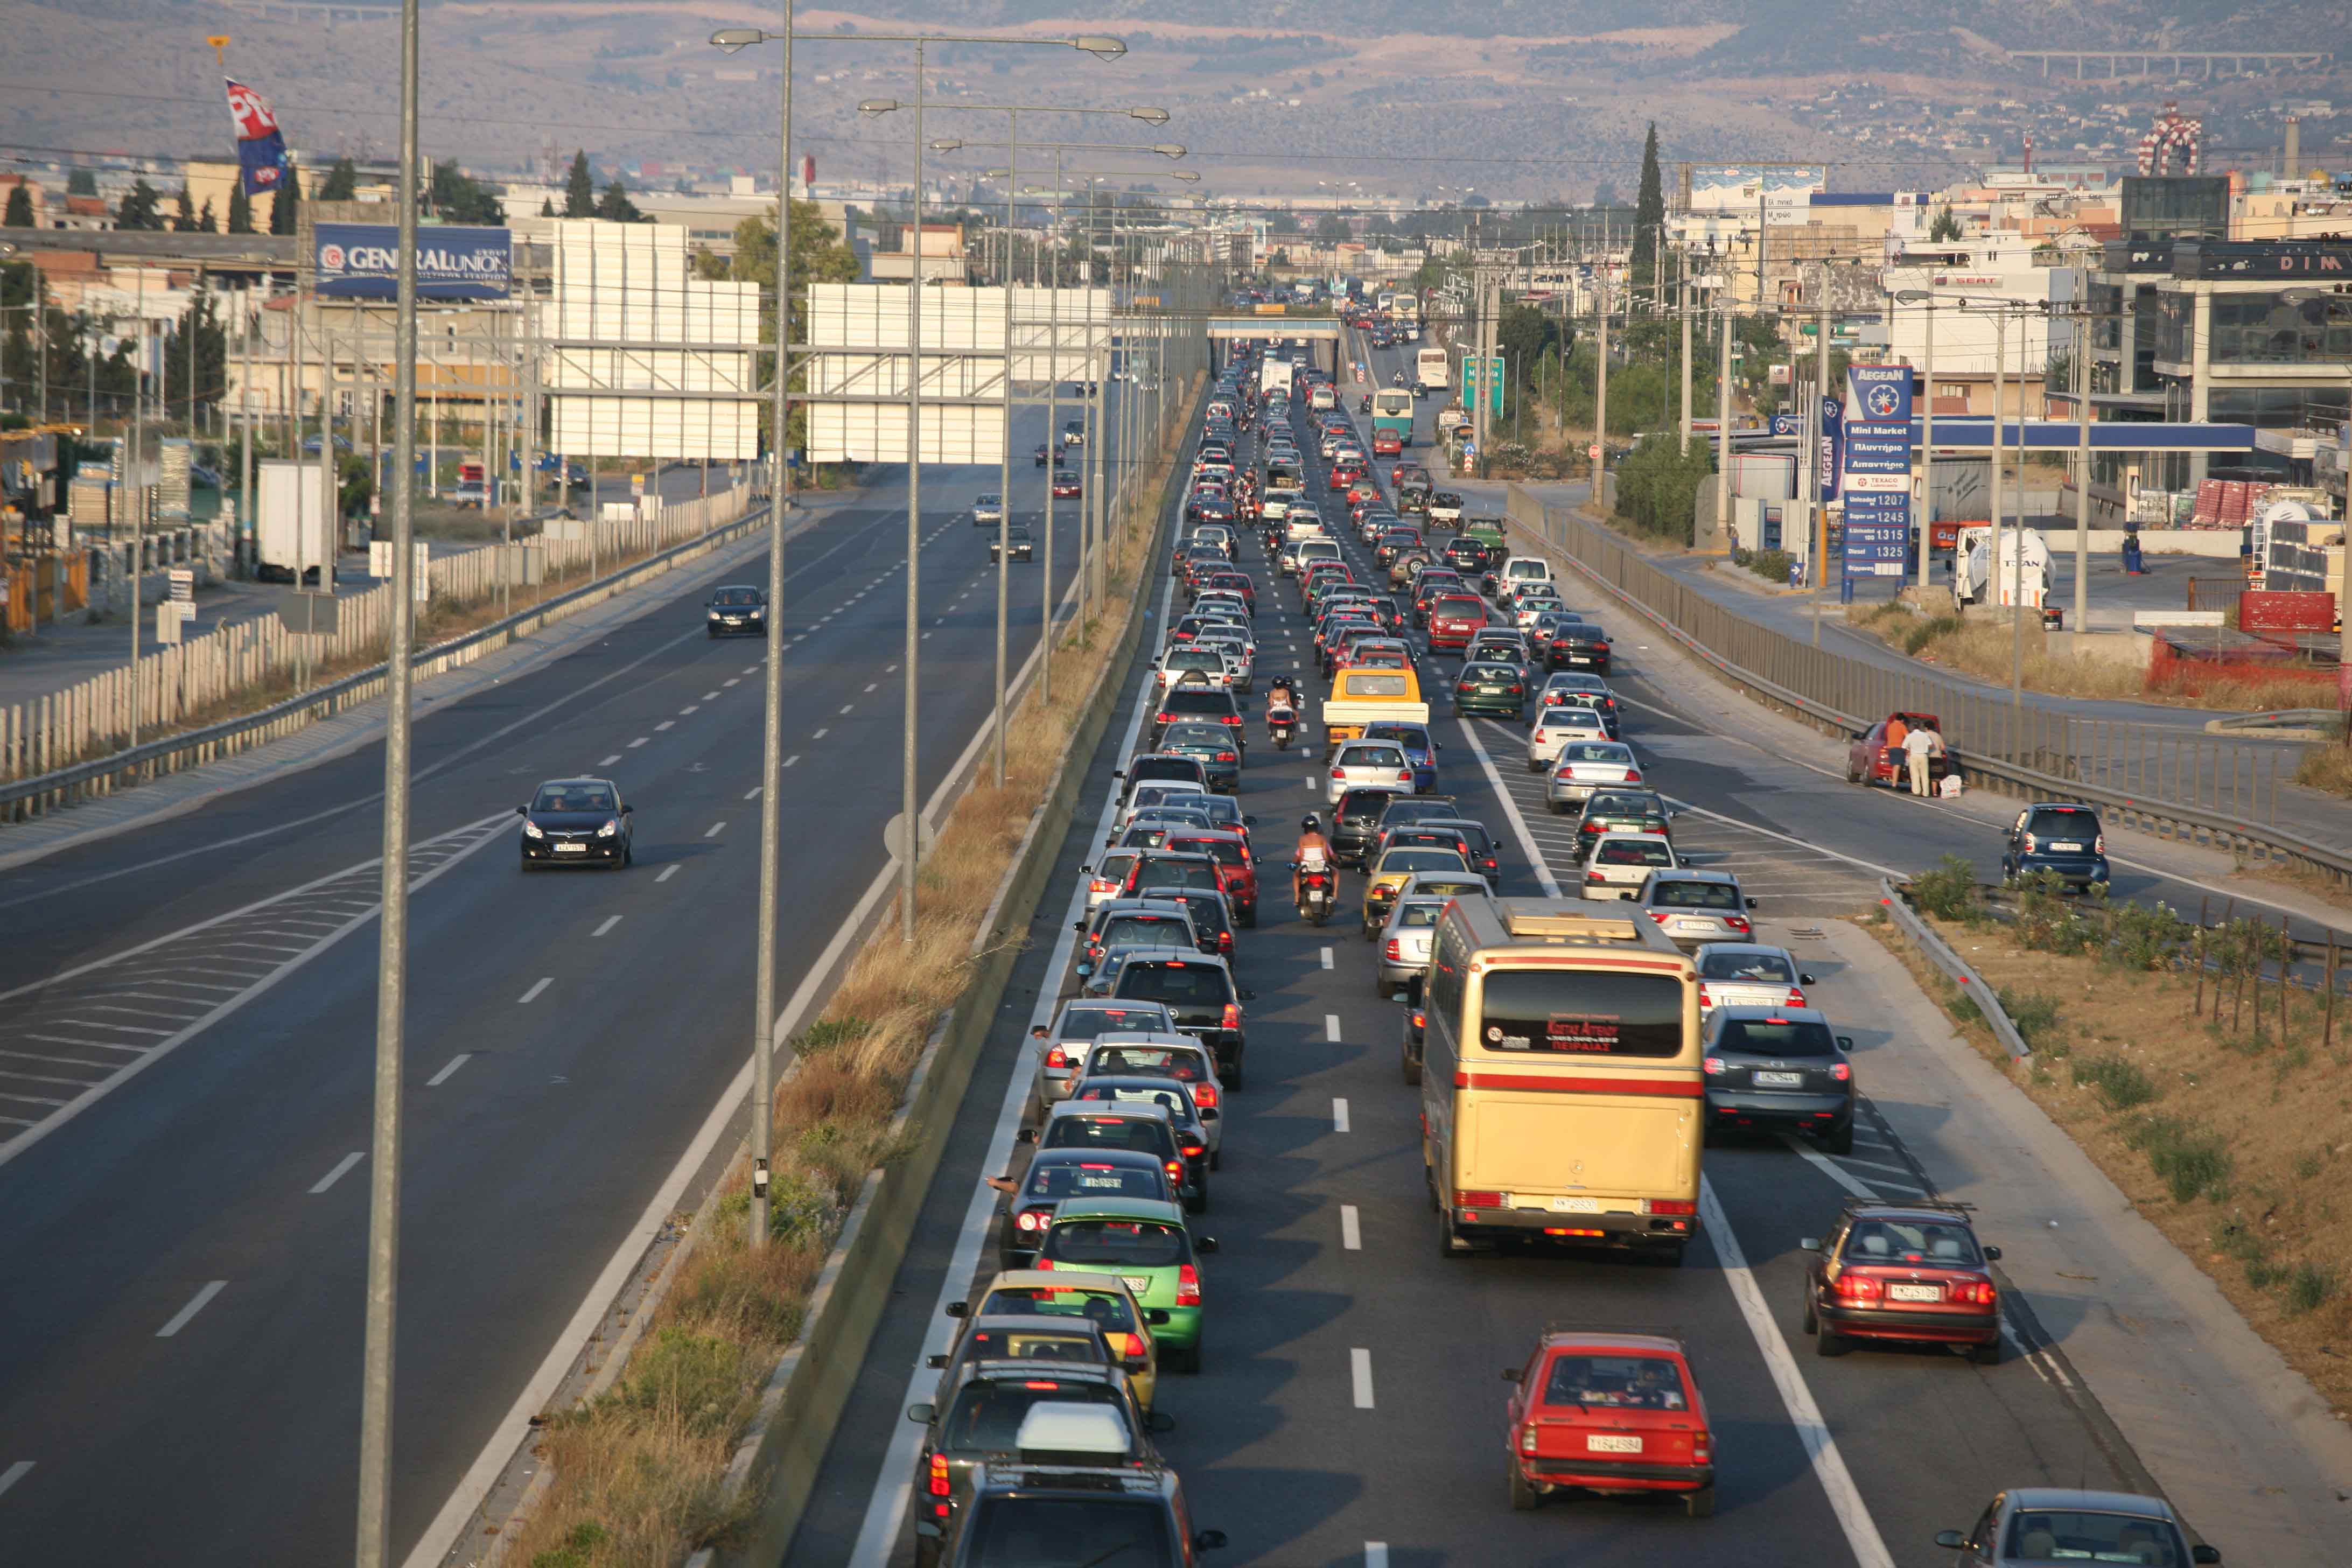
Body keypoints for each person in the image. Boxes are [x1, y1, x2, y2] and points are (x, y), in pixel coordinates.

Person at [1294, 813, 1335, 909]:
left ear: (1305, 828)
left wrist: (1299, 864)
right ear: (1317, 827)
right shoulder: (1322, 838)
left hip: (1306, 867)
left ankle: (1296, 897)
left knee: (1296, 876)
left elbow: (1302, 855)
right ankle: (1335, 894)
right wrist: (1328, 864)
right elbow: (1326, 855)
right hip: (1321, 866)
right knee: (1336, 873)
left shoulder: (1302, 839)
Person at [1902, 723, 1944, 796]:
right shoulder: (1925, 735)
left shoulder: (1910, 736)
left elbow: (1904, 747)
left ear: (1912, 729)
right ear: (1920, 728)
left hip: (1914, 756)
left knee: (1915, 775)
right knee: (1925, 775)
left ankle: (1917, 791)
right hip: (1924, 756)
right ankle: (1926, 793)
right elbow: (1931, 745)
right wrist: (1924, 749)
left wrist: (1909, 751)